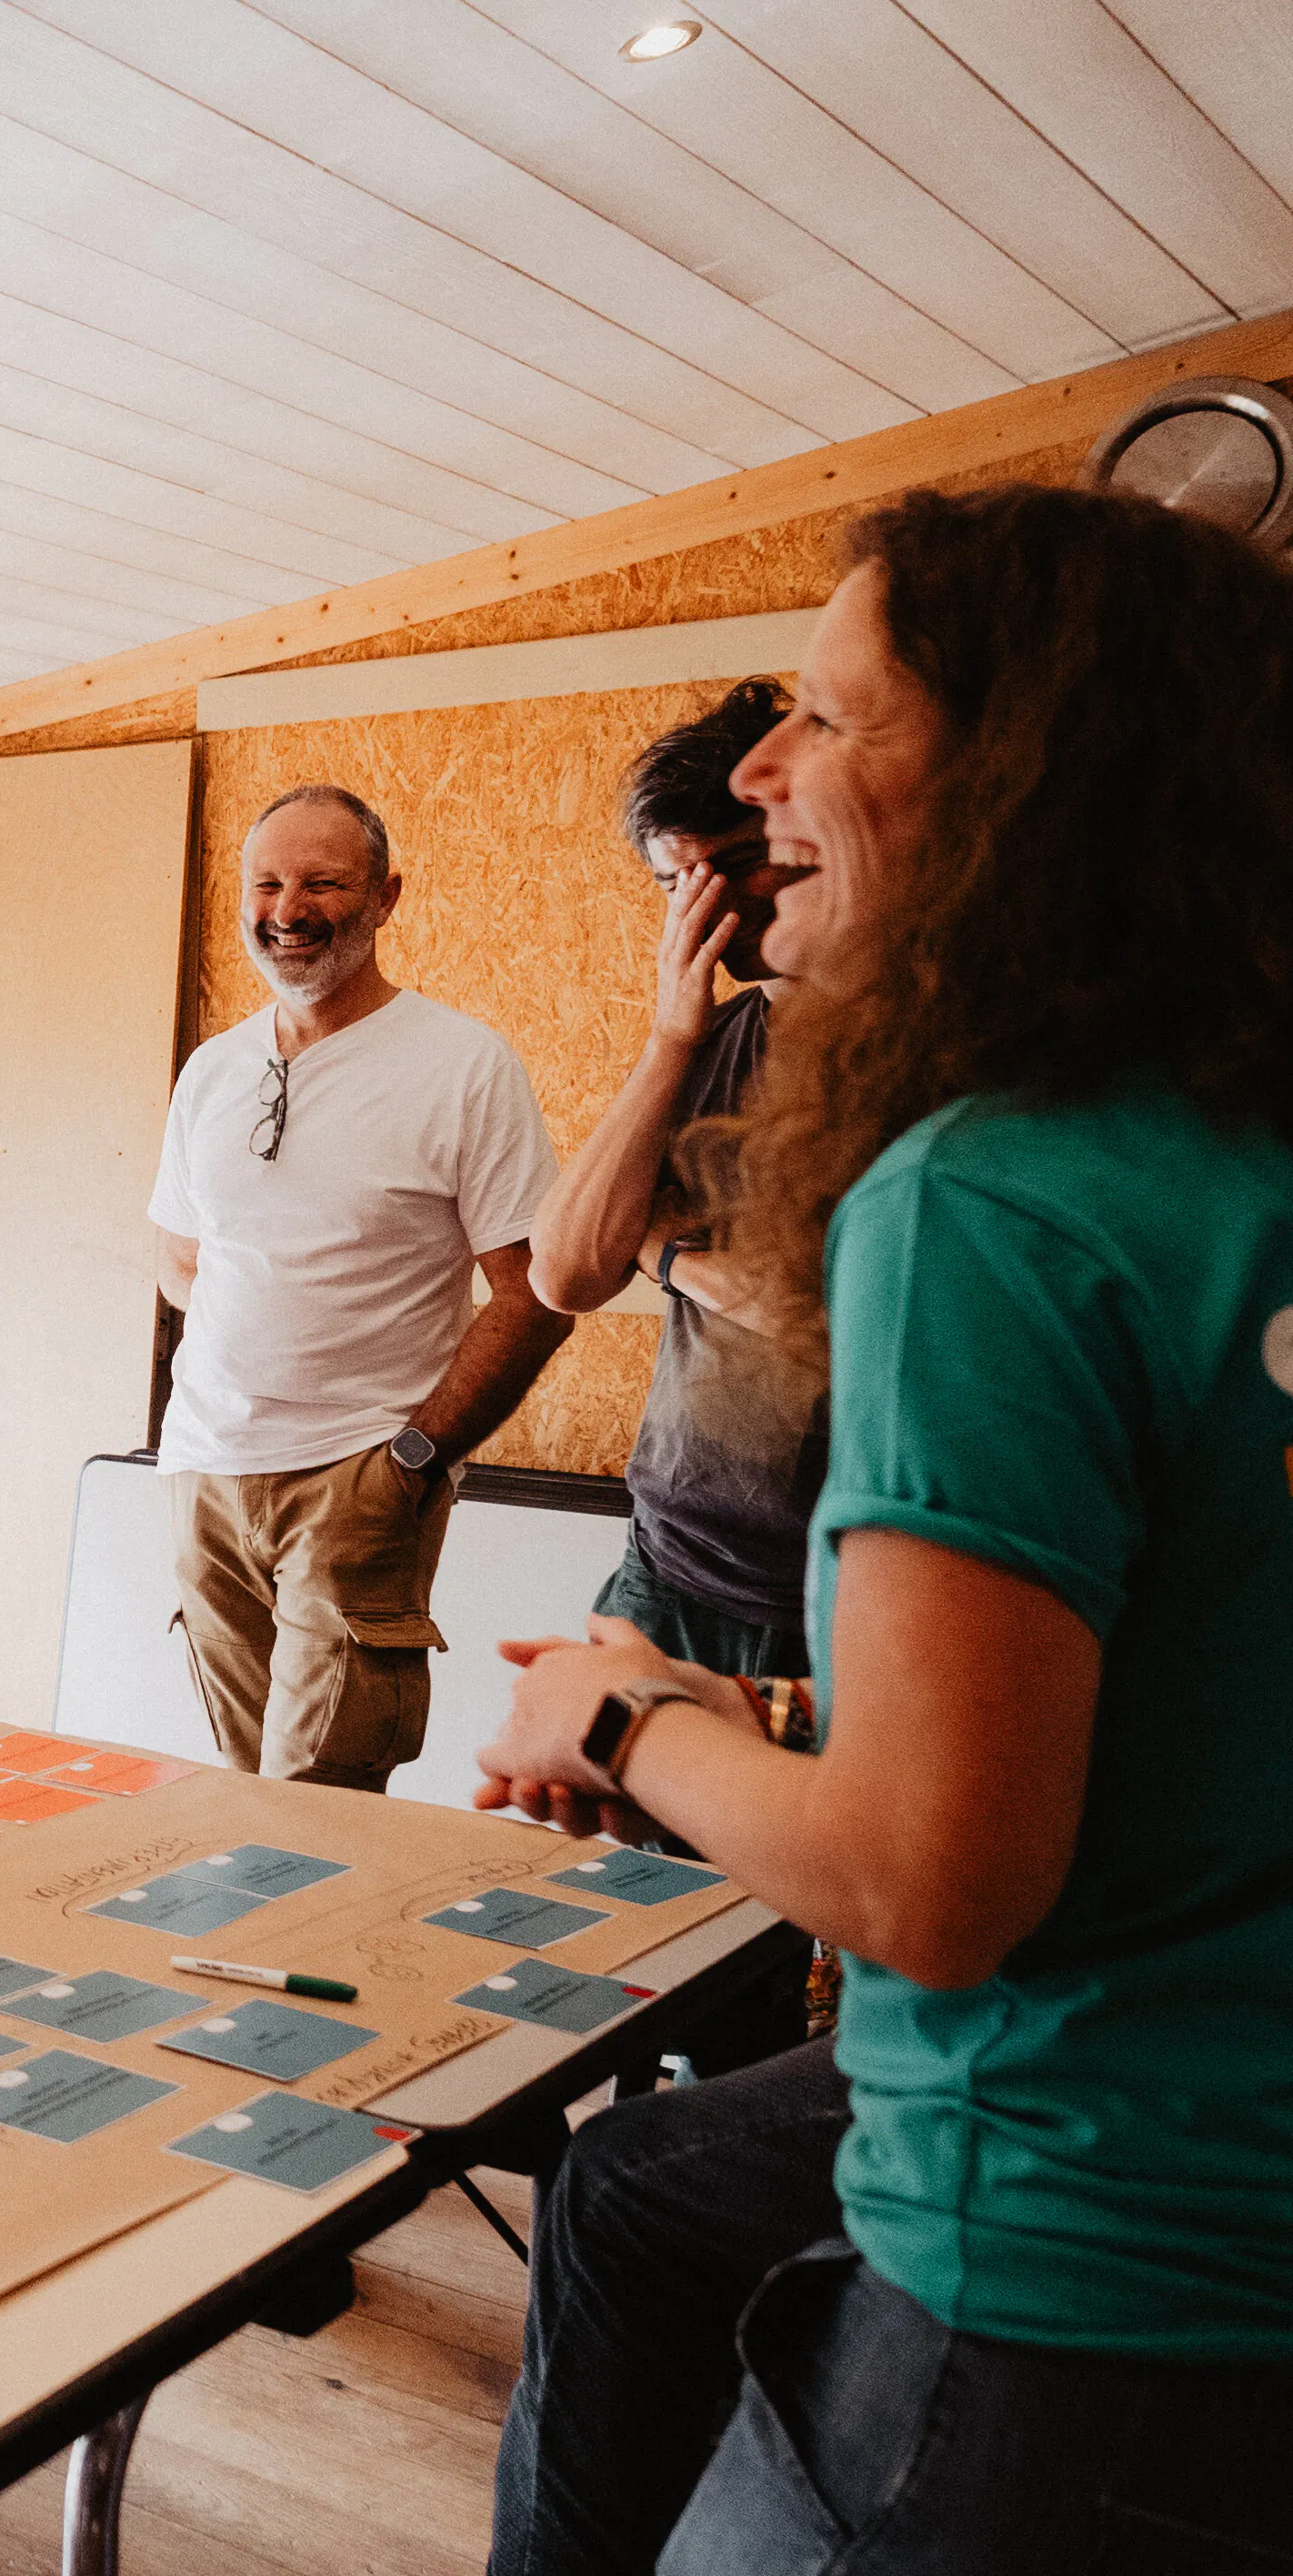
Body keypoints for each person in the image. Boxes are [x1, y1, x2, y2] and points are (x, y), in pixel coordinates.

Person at [479, 482, 1293, 2573]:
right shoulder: (1228, 1145)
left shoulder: (986, 1197)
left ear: (1034, 786)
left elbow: (931, 1880)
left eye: (828, 718)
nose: (758, 770)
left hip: (1067, 2260)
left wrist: (611, 1718)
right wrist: (742, 1692)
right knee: (639, 2186)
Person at [150, 784, 571, 1790]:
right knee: (247, 1786)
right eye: (266, 883)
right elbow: (179, 1260)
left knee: (323, 1804)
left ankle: (324, 1956)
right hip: (205, 1475)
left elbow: (535, 1292)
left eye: (321, 883)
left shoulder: (461, 1066)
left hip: (359, 1478)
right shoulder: (213, 1070)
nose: (286, 910)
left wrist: (413, 1459)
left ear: (385, 898)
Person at [525, 681, 824, 1681]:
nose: (710, 909)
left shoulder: (922, 1056)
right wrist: (667, 1039)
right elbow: (564, 1273)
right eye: (674, 885)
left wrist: (665, 1246)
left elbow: (827, 1312)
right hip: (668, 1564)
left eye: (736, 866)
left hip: (831, 1595)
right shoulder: (710, 1043)